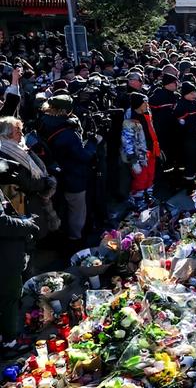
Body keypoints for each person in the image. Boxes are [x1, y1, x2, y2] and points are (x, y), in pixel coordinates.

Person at [37, 94, 97, 242]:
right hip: (73, 176)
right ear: (66, 110)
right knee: (77, 210)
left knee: (59, 208)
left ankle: (59, 236)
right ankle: (75, 240)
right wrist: (93, 143)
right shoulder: (67, 132)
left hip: (52, 175)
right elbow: (83, 156)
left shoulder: (42, 123)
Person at [0, 117, 58, 242]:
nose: (21, 134)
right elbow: (22, 179)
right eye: (17, 132)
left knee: (39, 228)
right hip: (20, 200)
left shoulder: (19, 147)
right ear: (6, 135)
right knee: (31, 233)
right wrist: (45, 184)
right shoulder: (4, 152)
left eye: (21, 130)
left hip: (33, 196)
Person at [0, 175, 38, 356]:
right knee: (9, 296)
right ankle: (10, 342)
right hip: (4, 258)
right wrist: (26, 224)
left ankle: (6, 336)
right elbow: (2, 223)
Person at [121, 92, 160, 210]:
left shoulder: (147, 114)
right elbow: (127, 140)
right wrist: (132, 156)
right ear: (138, 104)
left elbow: (151, 132)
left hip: (151, 151)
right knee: (140, 178)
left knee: (150, 175)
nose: (147, 105)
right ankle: (138, 200)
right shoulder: (130, 120)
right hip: (139, 154)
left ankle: (148, 196)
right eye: (145, 102)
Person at [172, 82, 196, 186]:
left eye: (194, 92)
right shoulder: (180, 106)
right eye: (191, 93)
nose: (194, 95)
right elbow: (184, 125)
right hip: (188, 139)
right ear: (185, 93)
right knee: (190, 161)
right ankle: (189, 183)